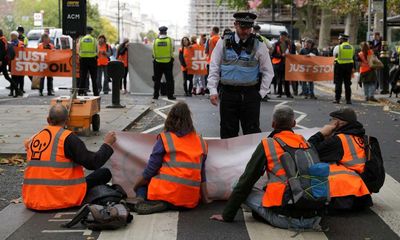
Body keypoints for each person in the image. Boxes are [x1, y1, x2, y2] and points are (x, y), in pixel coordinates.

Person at [210, 105, 324, 230]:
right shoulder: (304, 142)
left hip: (285, 218)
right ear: (294, 123)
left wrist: (227, 215)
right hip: (314, 217)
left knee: (237, 184)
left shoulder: (269, 144)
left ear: (273, 124)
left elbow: (246, 181)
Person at [22, 104, 116, 210]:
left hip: (32, 199)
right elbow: (93, 162)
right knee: (104, 173)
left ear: (48, 119)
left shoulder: (35, 138)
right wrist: (107, 145)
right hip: (62, 197)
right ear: (68, 120)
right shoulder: (67, 138)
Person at [133, 101, 210, 214]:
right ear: (189, 120)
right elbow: (202, 175)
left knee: (143, 185)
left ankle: (140, 200)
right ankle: (166, 202)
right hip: (189, 200)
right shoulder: (201, 142)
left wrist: (135, 187)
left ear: (170, 119)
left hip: (165, 193)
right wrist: (205, 199)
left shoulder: (166, 139)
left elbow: (150, 170)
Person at [207, 12, 274, 139]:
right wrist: (212, 90)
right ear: (235, 25)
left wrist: (261, 93)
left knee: (252, 133)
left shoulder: (259, 44)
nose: (246, 31)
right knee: (228, 133)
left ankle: (251, 159)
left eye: (249, 28)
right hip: (228, 93)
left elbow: (268, 71)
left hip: (250, 95)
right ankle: (229, 159)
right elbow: (214, 67)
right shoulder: (223, 42)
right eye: (243, 28)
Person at [308, 108, 372, 210]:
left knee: (317, 168)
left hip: (347, 192)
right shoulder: (358, 136)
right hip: (362, 187)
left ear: (339, 123)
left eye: (332, 120)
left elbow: (309, 150)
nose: (329, 122)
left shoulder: (339, 140)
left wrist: (321, 134)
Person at [152, 26, 176, 100]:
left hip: (157, 62)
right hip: (168, 62)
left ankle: (155, 95)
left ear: (159, 32)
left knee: (157, 79)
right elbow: (173, 49)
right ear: (166, 32)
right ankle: (170, 95)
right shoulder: (170, 40)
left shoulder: (155, 41)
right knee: (169, 80)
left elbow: (153, 52)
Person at [332, 34, 355, 104]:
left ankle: (337, 99)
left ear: (342, 39)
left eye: (339, 39)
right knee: (347, 84)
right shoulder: (352, 47)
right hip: (349, 66)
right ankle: (348, 100)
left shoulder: (338, 47)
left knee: (338, 83)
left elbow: (334, 55)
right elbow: (352, 56)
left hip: (339, 66)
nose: (339, 40)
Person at [271, 31, 293, 98]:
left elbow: (293, 52)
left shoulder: (289, 44)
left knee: (286, 79)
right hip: (278, 64)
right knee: (279, 79)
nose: (283, 37)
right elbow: (273, 54)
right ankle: (279, 93)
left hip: (287, 63)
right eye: (281, 36)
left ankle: (288, 93)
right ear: (280, 36)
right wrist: (281, 56)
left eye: (284, 36)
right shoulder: (276, 44)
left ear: (286, 37)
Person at [78, 26, 99, 96]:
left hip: (83, 59)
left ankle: (80, 92)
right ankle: (96, 93)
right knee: (94, 78)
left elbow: (78, 49)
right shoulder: (94, 40)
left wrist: (81, 55)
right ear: (91, 32)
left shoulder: (81, 39)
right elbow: (97, 50)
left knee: (82, 77)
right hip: (92, 59)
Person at [0, 29, 16, 97]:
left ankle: (17, 89)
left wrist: (0, 60)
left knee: (7, 76)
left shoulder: (1, 40)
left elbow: (1, 51)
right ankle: (17, 90)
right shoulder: (3, 39)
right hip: (4, 61)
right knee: (7, 76)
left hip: (2, 61)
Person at [205, 27, 220, 94]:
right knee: (219, 77)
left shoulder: (212, 39)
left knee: (211, 77)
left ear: (213, 31)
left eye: (211, 31)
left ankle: (213, 92)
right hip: (219, 61)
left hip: (211, 61)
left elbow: (210, 51)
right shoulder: (220, 39)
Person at [10, 31, 24, 97]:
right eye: (11, 36)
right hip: (12, 62)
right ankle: (12, 91)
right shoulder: (9, 43)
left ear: (16, 36)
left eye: (12, 36)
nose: (11, 37)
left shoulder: (21, 43)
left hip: (19, 63)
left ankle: (17, 91)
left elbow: (23, 52)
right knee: (13, 78)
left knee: (17, 78)